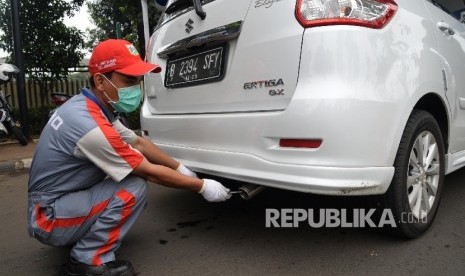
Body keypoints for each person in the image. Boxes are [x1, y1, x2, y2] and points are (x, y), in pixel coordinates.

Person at [27, 39, 232, 276]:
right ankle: (87, 260)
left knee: (121, 174)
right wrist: (202, 186)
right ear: (100, 81)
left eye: (137, 81)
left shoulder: (90, 107)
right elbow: (148, 171)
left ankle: (80, 234)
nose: (135, 88)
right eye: (128, 81)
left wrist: (181, 168)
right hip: (48, 218)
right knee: (132, 187)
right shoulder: (90, 126)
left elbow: (138, 142)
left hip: (56, 203)